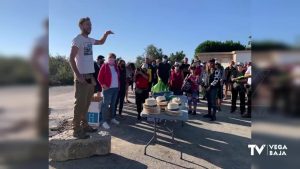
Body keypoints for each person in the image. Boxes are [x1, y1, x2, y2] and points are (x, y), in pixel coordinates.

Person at [69, 17, 113, 138]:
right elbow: (71, 58)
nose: (90, 27)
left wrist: (105, 34)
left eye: (90, 25)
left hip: (89, 76)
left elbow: (100, 42)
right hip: (81, 76)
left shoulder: (89, 40)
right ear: (81, 26)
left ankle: (85, 125)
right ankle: (76, 130)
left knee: (87, 103)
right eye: (87, 25)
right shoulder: (77, 39)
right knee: (80, 104)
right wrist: (78, 75)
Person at [98, 53, 120, 129]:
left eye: (113, 58)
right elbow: (99, 78)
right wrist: (103, 85)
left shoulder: (115, 66)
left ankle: (112, 118)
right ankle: (103, 121)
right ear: (108, 59)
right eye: (110, 58)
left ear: (115, 59)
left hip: (116, 89)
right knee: (105, 105)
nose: (111, 60)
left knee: (113, 104)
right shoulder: (104, 66)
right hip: (108, 89)